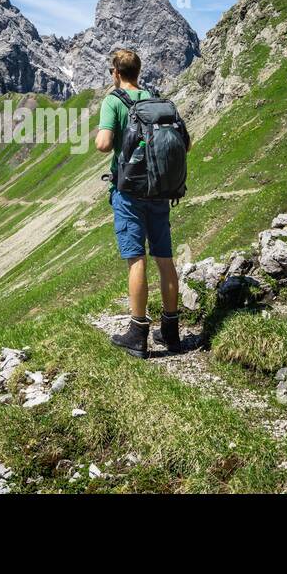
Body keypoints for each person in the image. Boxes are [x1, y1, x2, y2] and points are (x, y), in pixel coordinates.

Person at [94, 49, 187, 358]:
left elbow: (104, 144)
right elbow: (186, 143)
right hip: (160, 190)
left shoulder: (114, 100)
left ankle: (137, 333)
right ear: (139, 70)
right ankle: (171, 332)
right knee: (164, 258)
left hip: (130, 192)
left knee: (136, 259)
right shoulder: (155, 101)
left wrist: (103, 134)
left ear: (116, 73)